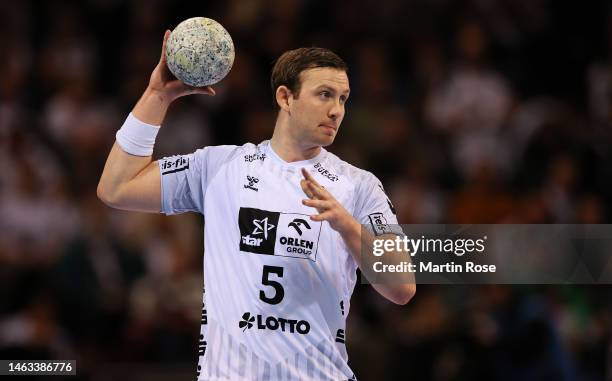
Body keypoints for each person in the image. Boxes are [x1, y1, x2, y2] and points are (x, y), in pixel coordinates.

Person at [98, 30, 415, 381]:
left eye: (343, 98)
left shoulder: (360, 185)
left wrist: (345, 224)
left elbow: (402, 287)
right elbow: (116, 188)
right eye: (324, 94)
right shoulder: (219, 168)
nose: (336, 110)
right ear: (285, 97)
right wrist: (156, 97)